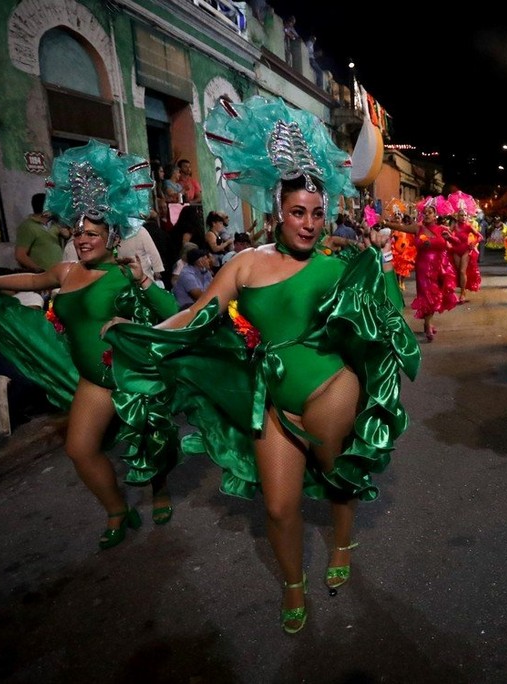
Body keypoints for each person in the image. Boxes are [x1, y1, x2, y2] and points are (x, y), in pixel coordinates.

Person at [103, 96, 419, 635]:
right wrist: (141, 335)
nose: (309, 223)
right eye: (299, 212)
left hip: (330, 390)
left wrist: (381, 263)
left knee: (340, 476)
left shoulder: (333, 266)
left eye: (318, 213)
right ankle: (294, 584)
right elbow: (198, 316)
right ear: (278, 209)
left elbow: (387, 320)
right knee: (277, 507)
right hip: (269, 399)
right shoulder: (245, 264)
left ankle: (342, 542)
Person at [0, 140, 180, 550]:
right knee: (79, 449)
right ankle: (116, 509)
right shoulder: (68, 271)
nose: (84, 238)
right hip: (94, 380)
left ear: (111, 236)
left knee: (147, 441)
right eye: (79, 232)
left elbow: (167, 311)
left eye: (93, 233)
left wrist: (143, 279)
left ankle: (159, 489)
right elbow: (30, 281)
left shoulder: (124, 272)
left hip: (130, 374)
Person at [381, 198, 458, 342]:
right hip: (423, 268)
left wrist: (451, 239)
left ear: (436, 215)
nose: (427, 214)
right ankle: (428, 325)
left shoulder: (442, 229)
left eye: (430, 212)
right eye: (425, 212)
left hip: (439, 268)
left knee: (436, 296)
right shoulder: (418, 228)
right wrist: (384, 223)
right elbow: (401, 227)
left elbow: (456, 243)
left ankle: (428, 322)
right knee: (427, 295)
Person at [13, 193, 69, 272]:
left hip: (59, 273)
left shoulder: (54, 224)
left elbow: (67, 234)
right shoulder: (27, 226)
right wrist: (38, 270)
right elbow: (20, 255)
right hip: (43, 277)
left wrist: (65, 233)